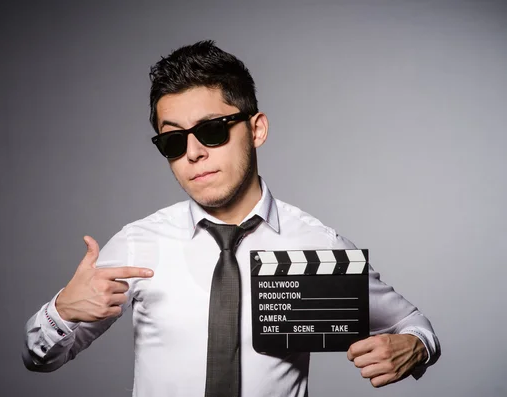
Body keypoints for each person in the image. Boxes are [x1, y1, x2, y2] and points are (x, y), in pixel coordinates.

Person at [22, 40, 440, 396]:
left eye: (213, 130)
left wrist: (415, 346)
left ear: (256, 129)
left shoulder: (316, 246)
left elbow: (413, 324)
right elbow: (39, 359)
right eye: (173, 139)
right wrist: (61, 311)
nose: (194, 152)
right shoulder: (138, 244)